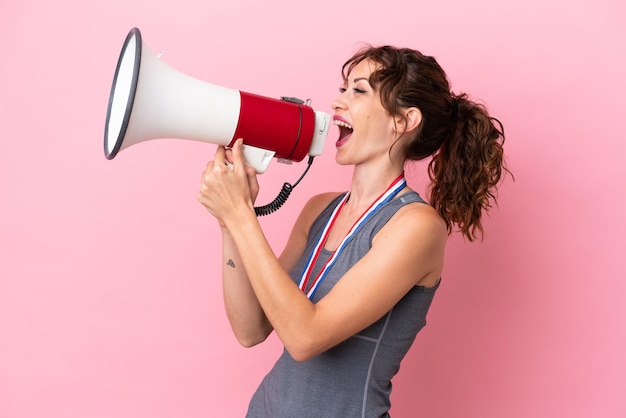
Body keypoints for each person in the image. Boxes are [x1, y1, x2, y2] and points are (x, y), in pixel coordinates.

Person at [197, 45, 509, 417]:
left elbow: (304, 338)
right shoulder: (319, 209)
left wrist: (240, 217)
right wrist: (231, 220)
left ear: (404, 120)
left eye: (358, 91)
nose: (337, 102)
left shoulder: (417, 226)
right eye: (343, 89)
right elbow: (251, 329)